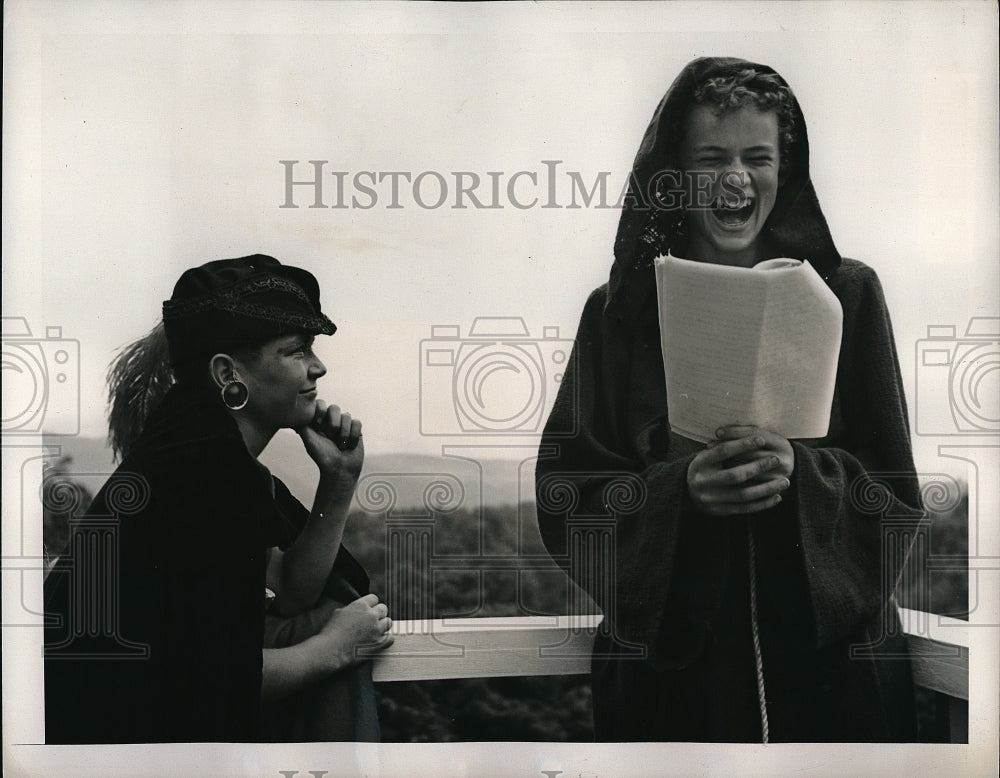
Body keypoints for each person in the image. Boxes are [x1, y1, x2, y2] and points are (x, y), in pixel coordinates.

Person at [535, 57, 923, 742]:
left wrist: (803, 475)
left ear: (786, 168)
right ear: (674, 175)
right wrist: (680, 492)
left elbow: (892, 495)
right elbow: (570, 495)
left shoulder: (848, 294)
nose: (736, 177)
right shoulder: (619, 311)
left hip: (832, 679)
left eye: (757, 156)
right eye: (710, 157)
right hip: (675, 684)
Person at [44, 254, 393, 743]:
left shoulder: (202, 453)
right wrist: (334, 648)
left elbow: (292, 589)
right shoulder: (199, 475)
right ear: (229, 372)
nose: (318, 366)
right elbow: (215, 680)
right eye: (296, 350)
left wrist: (337, 482)